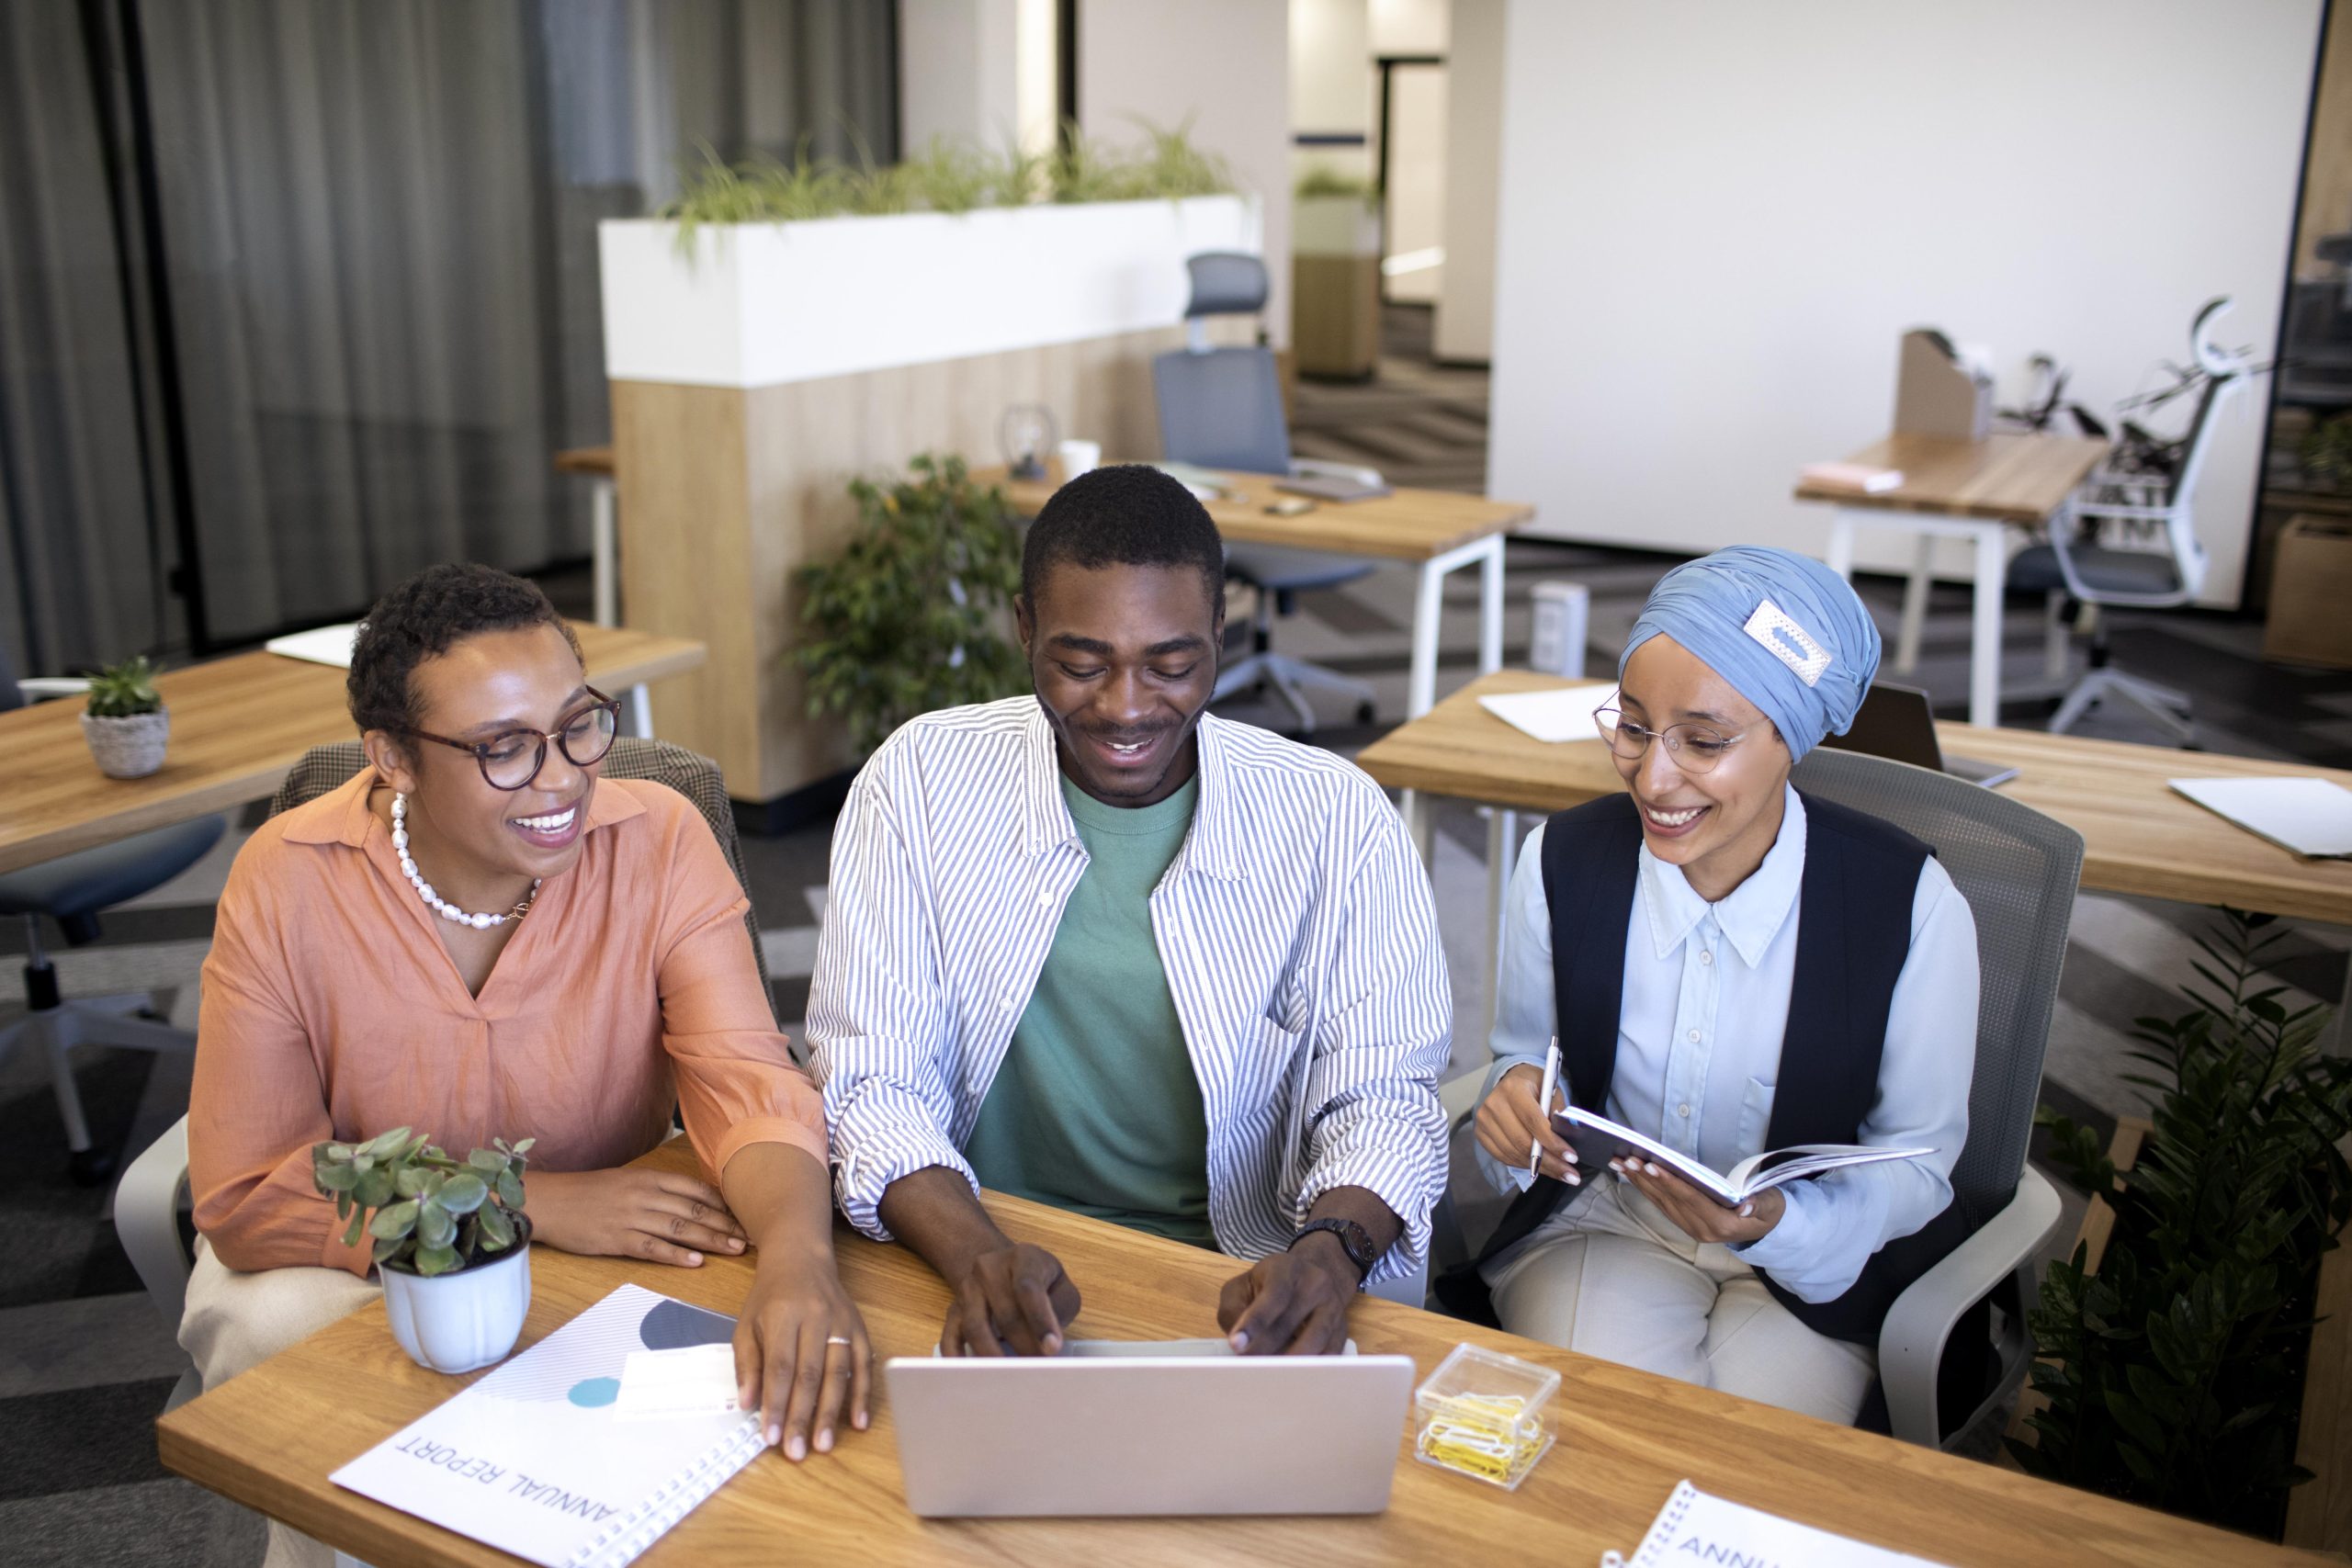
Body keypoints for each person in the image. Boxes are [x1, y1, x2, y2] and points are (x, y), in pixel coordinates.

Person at [186, 566, 865, 1566]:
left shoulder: (658, 839)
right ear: (393, 759)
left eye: (578, 723)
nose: (561, 776)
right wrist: (526, 1200)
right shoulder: (286, 879)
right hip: (370, 1253)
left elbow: (746, 1082)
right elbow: (248, 1192)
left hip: (602, 1238)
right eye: (503, 748)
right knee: (289, 1348)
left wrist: (803, 1264)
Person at [806, 464, 1451, 1359]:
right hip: (976, 1249)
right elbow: (870, 1078)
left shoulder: (1335, 819)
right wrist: (977, 1253)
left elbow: (1382, 1098)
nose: (1124, 708)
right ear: (1023, 628)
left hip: (1235, 1284)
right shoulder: (917, 783)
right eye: (1079, 664)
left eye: (1172, 664)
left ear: (1219, 635)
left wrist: (1328, 1253)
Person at [1458, 547, 1978, 1425]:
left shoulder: (1912, 905)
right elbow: (1525, 1055)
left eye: (1703, 741)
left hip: (1815, 1264)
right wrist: (1511, 1096)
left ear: (1792, 739)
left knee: (1752, 1470)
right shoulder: (1560, 862)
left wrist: (1775, 1219)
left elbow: (1921, 1161)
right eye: (1631, 727)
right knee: (1609, 1438)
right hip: (1609, 1225)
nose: (1654, 777)